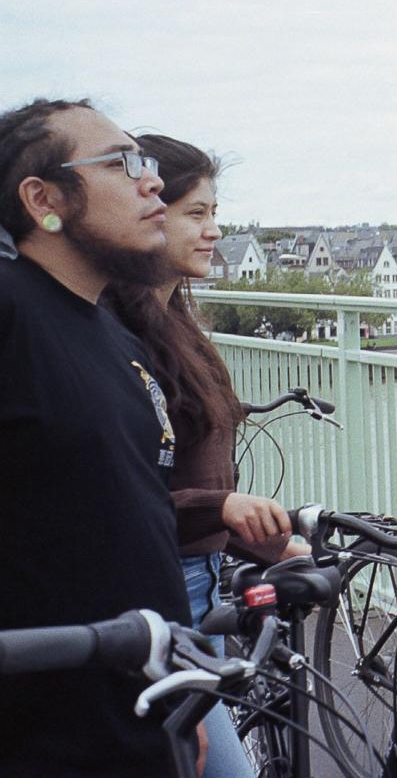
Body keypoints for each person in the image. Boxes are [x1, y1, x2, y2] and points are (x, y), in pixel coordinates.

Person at [0, 99, 195, 777]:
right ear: (42, 198)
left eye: (145, 161)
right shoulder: (10, 311)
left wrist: (181, 697)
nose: (152, 183)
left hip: (142, 709)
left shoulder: (110, 331)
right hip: (47, 736)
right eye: (121, 163)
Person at [105, 133, 306, 778]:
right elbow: (119, 492)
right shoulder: (118, 334)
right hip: (160, 591)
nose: (214, 231)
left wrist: (254, 539)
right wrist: (223, 505)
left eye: (215, 214)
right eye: (197, 214)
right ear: (149, 211)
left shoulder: (177, 321)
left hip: (198, 573)